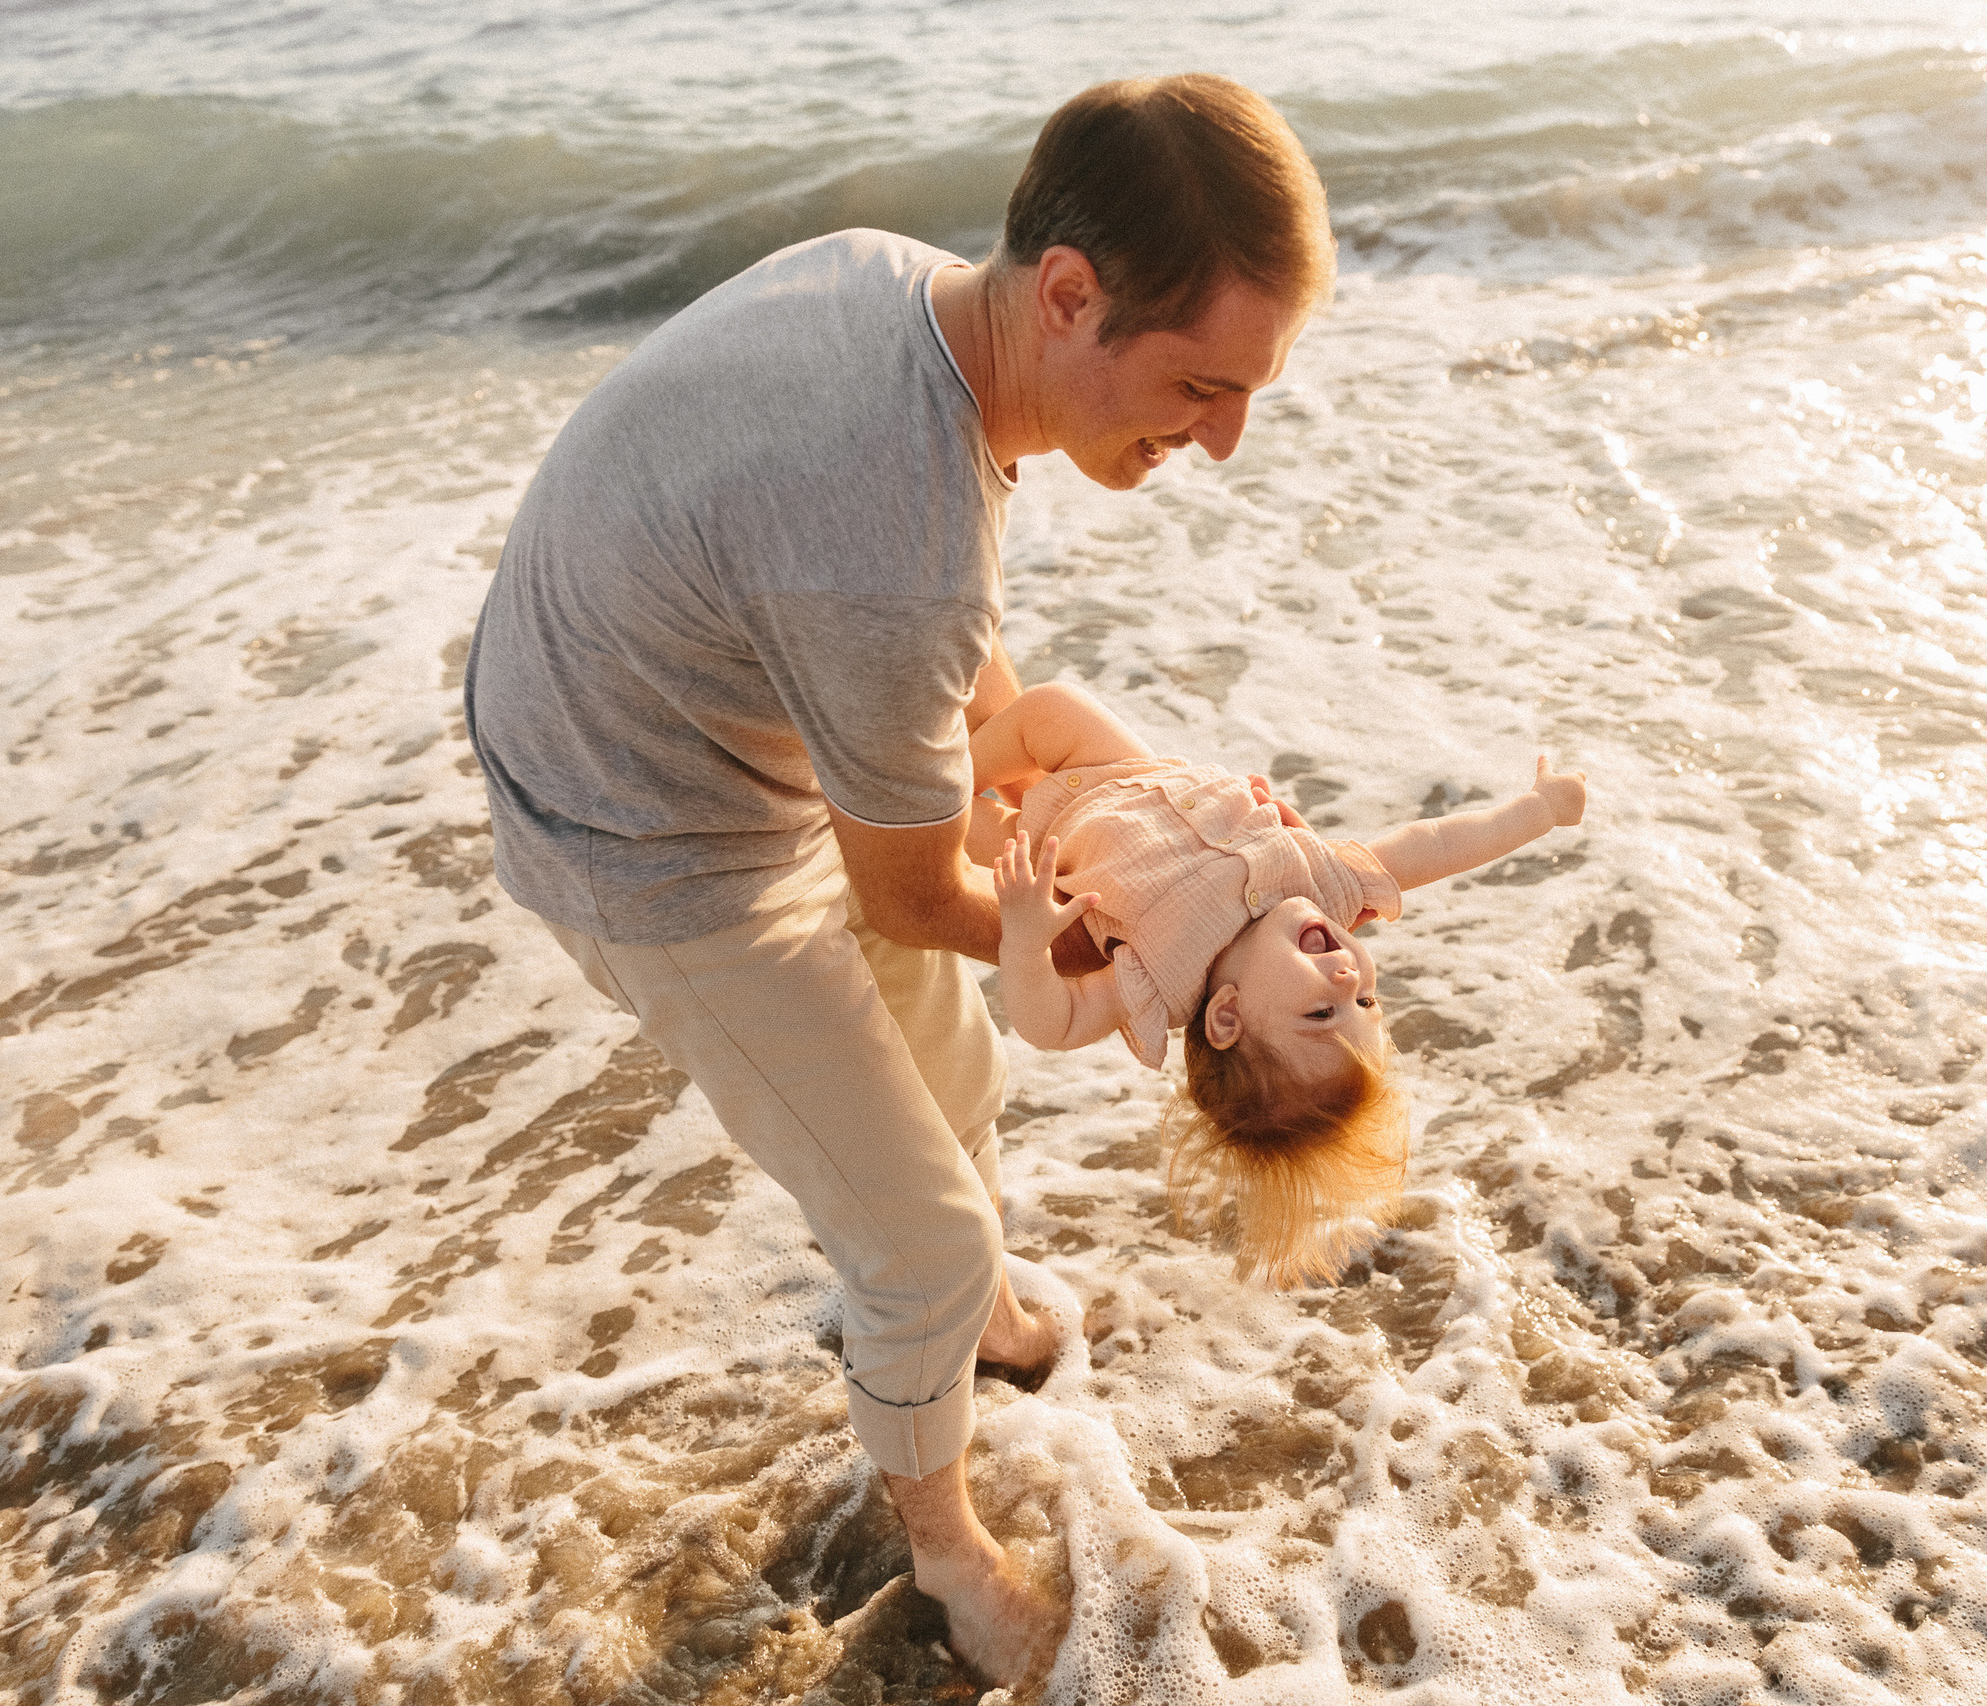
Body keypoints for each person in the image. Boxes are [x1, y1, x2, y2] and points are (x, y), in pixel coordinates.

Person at [461, 75, 1333, 1686]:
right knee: (918, 1232)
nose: (1223, 439)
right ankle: (945, 1549)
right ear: (1069, 292)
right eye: (1202, 385)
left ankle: (973, 1315)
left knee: (953, 1064)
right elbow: (920, 893)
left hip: (693, 692)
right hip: (637, 825)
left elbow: (953, 676)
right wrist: (1168, 937)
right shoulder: (893, 540)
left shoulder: (910, 293)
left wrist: (1141, 805)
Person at [966, 682, 1588, 1285]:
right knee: (1055, 707)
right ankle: (953, 760)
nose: (1348, 977)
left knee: (940, 814)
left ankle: (925, 777)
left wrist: (1025, 937)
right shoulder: (1324, 888)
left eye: (1322, 1013)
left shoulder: (1161, 980)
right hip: (1121, 768)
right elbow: (1433, 845)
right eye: (1365, 1002)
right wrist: (1539, 812)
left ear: (1228, 1018)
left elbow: (1054, 1024)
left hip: (1044, 847)